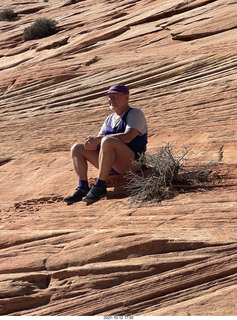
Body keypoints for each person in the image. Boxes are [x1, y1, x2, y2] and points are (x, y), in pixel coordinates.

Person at [63, 84, 148, 205]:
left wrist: (99, 139)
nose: (111, 100)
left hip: (133, 163)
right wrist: (92, 143)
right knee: (77, 148)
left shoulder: (135, 113)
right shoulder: (109, 119)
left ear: (126, 98)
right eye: (109, 97)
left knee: (107, 141)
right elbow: (100, 143)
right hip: (111, 164)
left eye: (115, 97)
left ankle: (100, 186)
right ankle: (83, 187)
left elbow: (128, 137)